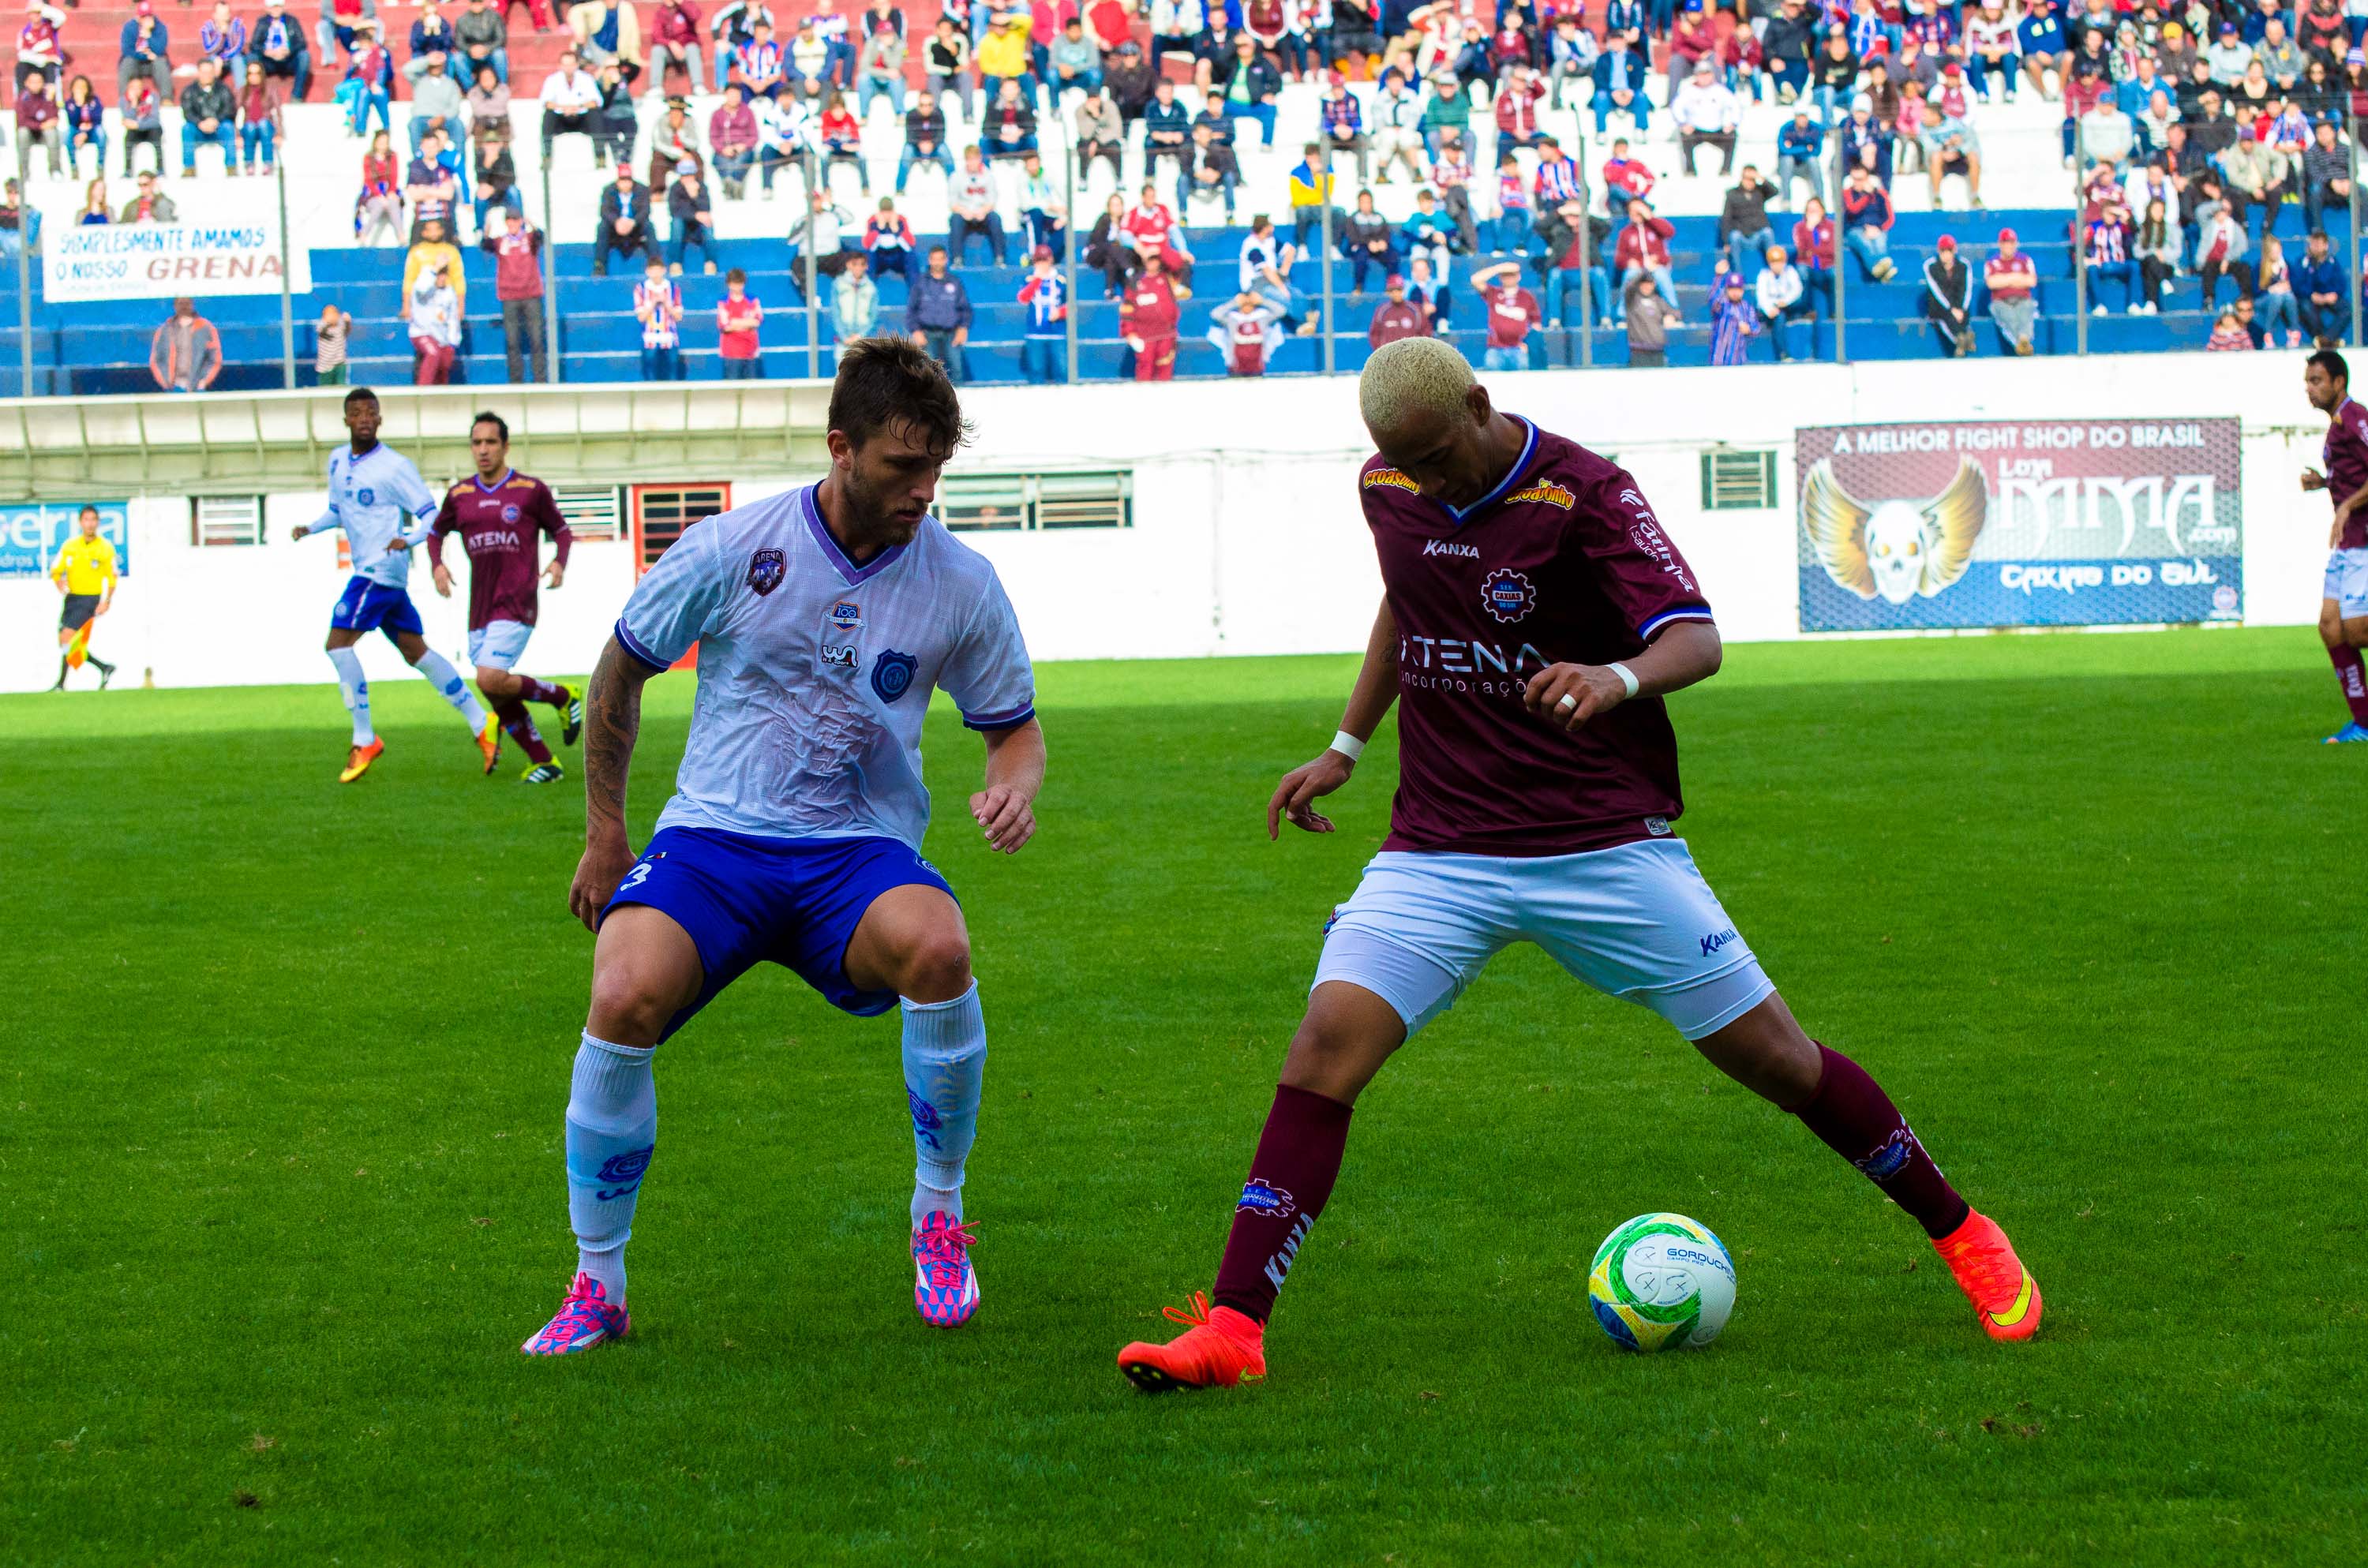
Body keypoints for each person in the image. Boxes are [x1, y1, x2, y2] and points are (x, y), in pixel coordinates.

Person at [1114, 338, 2045, 1394]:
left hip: (1600, 843)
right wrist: (1346, 746)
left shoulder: (1588, 493)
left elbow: (1697, 639)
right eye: (1405, 464)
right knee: (1325, 1045)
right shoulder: (1389, 485)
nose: (1425, 481)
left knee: (1781, 1060)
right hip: (1442, 849)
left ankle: (1965, 1232)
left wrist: (1617, 677)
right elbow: (1407, 601)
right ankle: (1235, 1326)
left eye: (1437, 456)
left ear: (1479, 403)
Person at [519, 339, 1043, 1353]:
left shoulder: (961, 581)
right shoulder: (732, 546)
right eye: (903, 466)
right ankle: (598, 1283)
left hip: (855, 852)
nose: (924, 491)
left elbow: (1014, 731)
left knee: (941, 948)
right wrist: (605, 832)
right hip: (716, 839)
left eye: (936, 468)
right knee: (621, 993)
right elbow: (620, 669)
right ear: (840, 448)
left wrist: (1011, 786)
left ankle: (939, 1215)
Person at [290, 387, 503, 783]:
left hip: (381, 569)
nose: (364, 418)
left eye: (371, 412)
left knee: (337, 644)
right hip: (376, 573)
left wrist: (409, 539)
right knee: (416, 652)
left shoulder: (395, 466)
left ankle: (364, 738)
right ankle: (482, 722)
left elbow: (431, 517)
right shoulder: (337, 460)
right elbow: (338, 511)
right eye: (357, 412)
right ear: (346, 420)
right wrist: (311, 528)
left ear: (380, 419)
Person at [425, 413, 581, 784]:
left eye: (490, 442)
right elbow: (435, 533)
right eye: (476, 443)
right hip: (479, 606)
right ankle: (545, 762)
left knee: (490, 677)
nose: (483, 450)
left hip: (517, 599)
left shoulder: (530, 490)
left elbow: (562, 530)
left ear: (505, 446)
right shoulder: (460, 495)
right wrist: (437, 566)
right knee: (491, 686)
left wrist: (559, 562)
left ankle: (561, 696)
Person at [2306, 350, 2368, 743]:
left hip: (2364, 538)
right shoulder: (2337, 425)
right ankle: (2364, 723)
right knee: (2331, 627)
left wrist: (2347, 505)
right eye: (2307, 382)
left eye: (2317, 381)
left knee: (2357, 631)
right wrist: (2325, 484)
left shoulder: (2356, 418)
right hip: (2347, 542)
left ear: (2339, 382)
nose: (2309, 389)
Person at [47, 508, 120, 693]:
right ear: (80, 522)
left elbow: (112, 577)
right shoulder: (70, 546)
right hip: (72, 598)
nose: (90, 524)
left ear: (98, 522)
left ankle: (61, 684)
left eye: (93, 519)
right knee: (66, 642)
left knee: (67, 637)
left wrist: (107, 601)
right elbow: (55, 569)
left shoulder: (105, 548)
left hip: (90, 599)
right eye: (87, 519)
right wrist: (59, 582)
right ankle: (104, 667)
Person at [483, 208, 548, 381]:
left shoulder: (529, 239)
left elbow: (541, 236)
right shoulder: (501, 242)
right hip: (509, 296)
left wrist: (531, 222)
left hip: (531, 294)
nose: (512, 224)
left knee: (537, 339)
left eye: (516, 220)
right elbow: (485, 244)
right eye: (509, 220)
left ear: (521, 222)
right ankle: (516, 381)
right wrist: (487, 227)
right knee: (512, 342)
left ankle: (540, 381)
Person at [906, 245, 972, 382]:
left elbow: (965, 309)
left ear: (946, 260)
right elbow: (912, 310)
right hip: (927, 334)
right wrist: (916, 331)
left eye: (940, 259)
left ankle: (958, 395)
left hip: (951, 333)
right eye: (934, 259)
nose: (937, 262)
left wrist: (963, 328)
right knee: (928, 373)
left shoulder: (955, 282)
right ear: (929, 260)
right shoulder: (920, 283)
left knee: (956, 369)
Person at [1122, 251, 1186, 380]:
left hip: (1166, 334)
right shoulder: (1135, 282)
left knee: (1165, 370)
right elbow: (1127, 310)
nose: (1153, 263)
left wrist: (1161, 250)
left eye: (1156, 259)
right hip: (1144, 335)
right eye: (1150, 259)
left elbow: (1178, 263)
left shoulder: (1168, 278)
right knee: (1145, 369)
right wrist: (1130, 334)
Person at [1472, 260, 1539, 371]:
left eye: (1512, 275)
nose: (1509, 278)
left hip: (1518, 349)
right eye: (1505, 275)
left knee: (1522, 380)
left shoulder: (1527, 296)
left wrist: (1528, 343)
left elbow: (1536, 324)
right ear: (1500, 277)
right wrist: (1498, 268)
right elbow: (1475, 280)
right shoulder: (1493, 293)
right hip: (1496, 349)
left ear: (1518, 277)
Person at [408, 259, 465, 384]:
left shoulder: (449, 292)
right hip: (422, 332)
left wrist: (453, 341)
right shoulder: (423, 287)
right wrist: (434, 269)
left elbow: (452, 318)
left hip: (441, 337)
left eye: (444, 274)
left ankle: (440, 392)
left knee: (444, 364)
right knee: (432, 353)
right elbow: (421, 287)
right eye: (439, 274)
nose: (442, 278)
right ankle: (423, 390)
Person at [149, 298, 223, 393]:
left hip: (198, 388)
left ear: (192, 304)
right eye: (181, 303)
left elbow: (215, 359)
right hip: (172, 388)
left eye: (187, 303)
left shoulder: (206, 328)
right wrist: (165, 382)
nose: (184, 306)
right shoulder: (165, 330)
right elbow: (156, 360)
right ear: (175, 306)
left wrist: (203, 382)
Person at [1018, 245, 1068, 383]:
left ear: (1051, 260)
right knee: (1036, 371)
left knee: (1062, 370)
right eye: (1038, 260)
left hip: (1057, 333)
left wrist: (1060, 312)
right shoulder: (1029, 279)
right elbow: (1023, 298)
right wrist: (1037, 280)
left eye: (1044, 260)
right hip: (1035, 333)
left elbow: (1071, 305)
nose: (1042, 264)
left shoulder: (1061, 280)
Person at [1984, 228, 2038, 355]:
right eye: (2005, 242)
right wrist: (2016, 277)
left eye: (2011, 242)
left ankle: (2024, 340)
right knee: (2007, 315)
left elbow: (2031, 281)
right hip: (2001, 301)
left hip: (2023, 299)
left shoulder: (2025, 260)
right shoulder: (1992, 262)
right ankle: (2021, 343)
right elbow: (1992, 283)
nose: (2008, 246)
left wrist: (2004, 279)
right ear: (2000, 244)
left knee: (2026, 311)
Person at [594, 163, 654, 275]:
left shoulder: (642, 190)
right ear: (618, 181)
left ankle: (655, 262)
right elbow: (604, 211)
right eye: (622, 180)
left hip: (635, 225)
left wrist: (633, 222)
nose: (626, 184)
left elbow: (646, 210)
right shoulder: (608, 190)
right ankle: (600, 265)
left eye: (628, 180)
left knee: (649, 226)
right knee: (602, 227)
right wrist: (616, 222)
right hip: (616, 226)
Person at [1922, 233, 1974, 354]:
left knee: (1962, 316)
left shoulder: (1964, 265)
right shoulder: (1930, 266)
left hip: (1958, 305)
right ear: (1938, 251)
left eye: (1949, 250)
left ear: (1954, 250)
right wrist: (1951, 309)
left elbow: (1966, 290)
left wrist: (1961, 309)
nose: (1946, 254)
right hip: (1940, 307)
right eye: (1943, 251)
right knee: (1945, 317)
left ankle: (1964, 338)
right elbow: (1937, 292)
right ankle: (1959, 339)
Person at [634, 256, 685, 378]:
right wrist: (653, 303)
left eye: (658, 270)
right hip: (650, 336)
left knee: (672, 369)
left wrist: (667, 304)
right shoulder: (640, 289)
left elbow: (678, 317)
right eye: (653, 271)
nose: (656, 274)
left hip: (669, 334)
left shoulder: (673, 288)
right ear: (647, 271)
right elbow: (641, 318)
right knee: (650, 369)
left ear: (664, 270)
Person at [2296, 231, 2351, 347]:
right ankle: (2328, 341)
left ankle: (2326, 339)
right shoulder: (2303, 262)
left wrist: (2334, 294)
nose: (2315, 247)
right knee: (2304, 307)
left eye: (2319, 244)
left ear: (2326, 245)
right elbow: (2298, 284)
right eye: (2313, 244)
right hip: (2311, 298)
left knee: (2347, 308)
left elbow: (2341, 283)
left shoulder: (2333, 262)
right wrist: (2311, 295)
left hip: (2329, 297)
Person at [668, 159, 718, 274]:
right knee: (676, 224)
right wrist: (694, 215)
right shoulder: (675, 188)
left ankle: (711, 262)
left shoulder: (701, 186)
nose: (687, 178)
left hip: (698, 225)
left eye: (690, 175)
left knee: (708, 225)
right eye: (684, 175)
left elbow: (706, 208)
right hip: (683, 222)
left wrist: (695, 197)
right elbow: (674, 210)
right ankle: (675, 263)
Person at [718, 265, 765, 376]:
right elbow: (725, 326)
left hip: (751, 351)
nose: (737, 287)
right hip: (731, 353)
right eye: (734, 284)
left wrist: (734, 321)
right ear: (729, 284)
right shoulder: (724, 302)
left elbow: (757, 321)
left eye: (740, 283)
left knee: (752, 385)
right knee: (732, 384)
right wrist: (747, 323)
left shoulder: (752, 300)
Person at [1624, 271, 1674, 364]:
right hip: (1639, 352)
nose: (1647, 286)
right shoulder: (1633, 300)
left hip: (1658, 351)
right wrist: (1645, 271)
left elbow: (1674, 312)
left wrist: (1670, 316)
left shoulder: (1658, 300)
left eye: (1650, 284)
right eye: (1644, 283)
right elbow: (1628, 287)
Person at [1368, 273, 1429, 345]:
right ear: (1388, 292)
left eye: (1399, 289)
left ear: (1403, 290)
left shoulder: (1415, 310)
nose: (1396, 293)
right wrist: (1382, 350)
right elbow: (1374, 334)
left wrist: (1418, 349)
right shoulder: (1382, 311)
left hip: (1411, 351)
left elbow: (1426, 332)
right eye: (1392, 290)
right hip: (1389, 351)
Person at [834, 248, 879, 339]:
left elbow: (873, 315)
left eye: (862, 264)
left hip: (864, 336)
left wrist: (861, 335)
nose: (858, 268)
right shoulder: (838, 284)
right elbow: (835, 311)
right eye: (854, 264)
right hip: (843, 336)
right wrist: (844, 336)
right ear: (848, 265)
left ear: (866, 266)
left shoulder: (871, 288)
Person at [315, 302, 353, 385]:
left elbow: (348, 330)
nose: (333, 316)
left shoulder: (341, 326)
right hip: (325, 366)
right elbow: (320, 330)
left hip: (339, 364)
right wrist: (328, 321)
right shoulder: (321, 326)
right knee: (325, 388)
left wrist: (348, 322)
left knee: (341, 386)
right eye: (329, 314)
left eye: (334, 313)